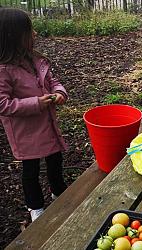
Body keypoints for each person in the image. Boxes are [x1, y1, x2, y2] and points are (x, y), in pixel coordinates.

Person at [0, 8, 68, 222]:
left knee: (55, 162)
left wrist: (59, 92)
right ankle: (36, 207)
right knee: (30, 171)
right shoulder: (4, 70)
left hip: (47, 125)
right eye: (29, 31)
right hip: (26, 133)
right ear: (13, 36)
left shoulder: (36, 60)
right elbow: (3, 104)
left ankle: (60, 193)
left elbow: (52, 81)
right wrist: (37, 103)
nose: (35, 34)